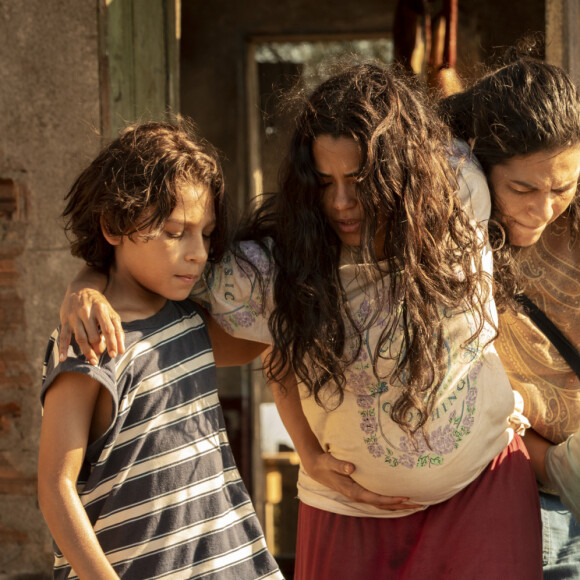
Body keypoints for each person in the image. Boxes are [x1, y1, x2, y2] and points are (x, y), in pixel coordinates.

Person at [57, 63, 543, 579]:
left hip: (483, 494)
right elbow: (144, 254)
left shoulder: (460, 192)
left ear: (405, 173)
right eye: (324, 180)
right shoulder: (273, 268)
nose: (340, 202)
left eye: (360, 180)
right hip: (347, 516)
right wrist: (85, 283)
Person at [38, 120, 283, 579]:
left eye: (206, 234)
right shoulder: (90, 343)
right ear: (114, 225)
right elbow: (55, 487)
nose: (198, 252)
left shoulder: (188, 320)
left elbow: (262, 339)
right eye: (175, 232)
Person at [439, 52, 580, 578]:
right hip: (504, 496)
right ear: (479, 165)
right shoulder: (449, 242)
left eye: (563, 188)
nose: (543, 209)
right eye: (523, 189)